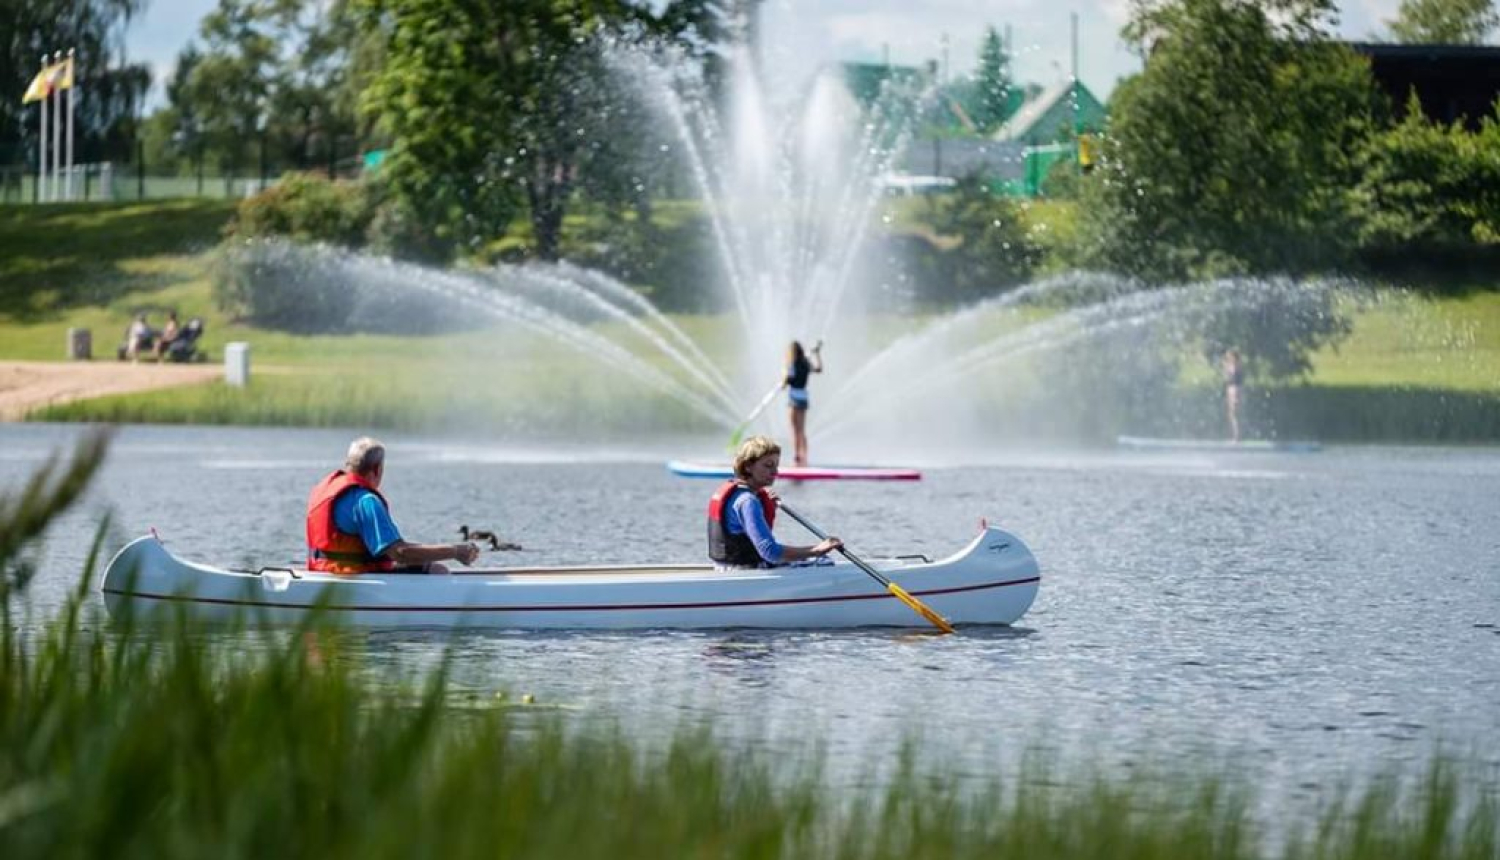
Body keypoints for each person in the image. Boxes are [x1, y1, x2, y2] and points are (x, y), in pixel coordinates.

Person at [306, 437, 481, 574]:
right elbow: (400, 553)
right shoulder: (366, 501)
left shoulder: (326, 489)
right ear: (376, 469)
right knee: (438, 570)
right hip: (351, 575)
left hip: (323, 570)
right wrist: (455, 551)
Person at [707, 435, 843, 568]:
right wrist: (817, 550)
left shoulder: (741, 495)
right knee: (824, 562)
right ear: (748, 466)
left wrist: (769, 508)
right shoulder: (748, 501)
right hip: (747, 572)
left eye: (776, 466)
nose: (775, 472)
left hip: (724, 569)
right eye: (768, 465)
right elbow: (770, 552)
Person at [783, 340, 823, 467]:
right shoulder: (805, 363)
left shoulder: (791, 365)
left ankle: (796, 458)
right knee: (801, 430)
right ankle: (804, 457)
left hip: (794, 399)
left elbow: (785, 383)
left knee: (795, 430)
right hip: (804, 399)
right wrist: (817, 354)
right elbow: (819, 369)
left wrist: (783, 373)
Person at [1222, 348, 1244, 442]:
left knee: (1234, 413)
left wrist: (1227, 368)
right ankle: (1235, 435)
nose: (1227, 358)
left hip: (1234, 389)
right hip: (1232, 389)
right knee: (1231, 414)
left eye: (1229, 356)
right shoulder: (1234, 365)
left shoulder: (1236, 365)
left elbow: (1232, 374)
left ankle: (1237, 436)